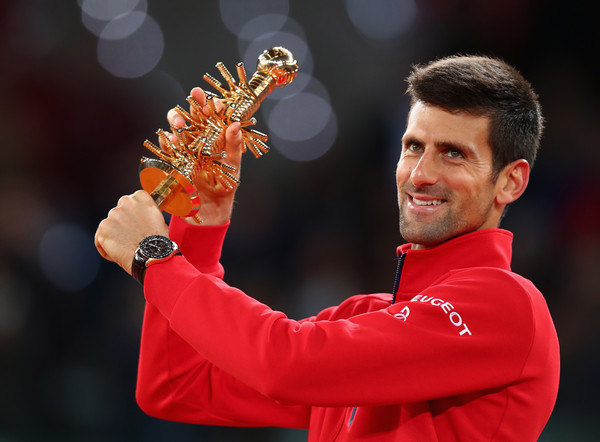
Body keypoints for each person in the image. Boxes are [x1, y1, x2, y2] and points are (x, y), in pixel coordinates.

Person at [95, 54, 560, 441]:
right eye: (413, 146)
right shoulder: (360, 319)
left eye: (453, 153)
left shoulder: (506, 306)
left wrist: (154, 257)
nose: (420, 174)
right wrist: (199, 221)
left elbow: (287, 364)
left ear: (510, 181)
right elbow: (179, 386)